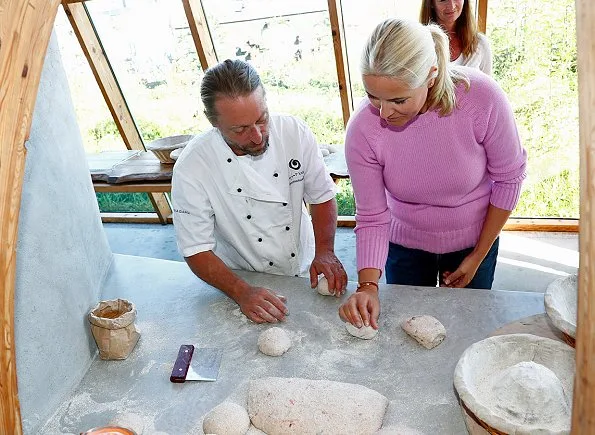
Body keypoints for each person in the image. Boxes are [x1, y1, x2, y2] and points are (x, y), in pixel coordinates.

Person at [338, 19, 526, 330]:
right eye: (373, 96)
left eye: (398, 100)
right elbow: (372, 215)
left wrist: (478, 254)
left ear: (431, 76)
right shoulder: (363, 130)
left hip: (476, 238)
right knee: (403, 328)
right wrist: (367, 286)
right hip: (404, 245)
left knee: (466, 328)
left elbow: (509, 178)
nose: (383, 113)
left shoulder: (482, 99)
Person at [172, 59, 347, 324]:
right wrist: (241, 292)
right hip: (240, 275)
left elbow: (321, 196)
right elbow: (196, 249)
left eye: (261, 119)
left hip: (302, 264)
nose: (257, 136)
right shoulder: (193, 166)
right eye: (240, 129)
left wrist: (325, 250)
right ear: (214, 123)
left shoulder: (294, 133)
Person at [420, 0, 492, 75]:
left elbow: (487, 85)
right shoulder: (419, 43)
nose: (451, 6)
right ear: (431, 3)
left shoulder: (481, 43)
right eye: (443, 0)